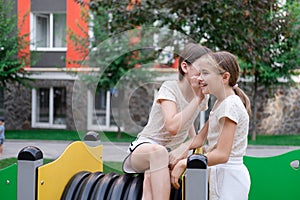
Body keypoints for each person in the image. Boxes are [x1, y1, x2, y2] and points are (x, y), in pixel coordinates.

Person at [122, 43, 212, 200]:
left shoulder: (203, 94)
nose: (205, 75)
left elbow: (189, 120)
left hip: (167, 155)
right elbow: (172, 126)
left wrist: (189, 147)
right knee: (159, 153)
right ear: (185, 67)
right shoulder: (169, 88)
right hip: (144, 149)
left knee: (151, 180)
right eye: (202, 69)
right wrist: (197, 99)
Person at [169, 51, 251, 200]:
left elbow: (222, 154)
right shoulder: (221, 103)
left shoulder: (230, 106)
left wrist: (184, 164)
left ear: (224, 77)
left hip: (228, 177)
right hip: (221, 174)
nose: (200, 78)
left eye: (205, 73)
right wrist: (180, 151)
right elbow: (200, 139)